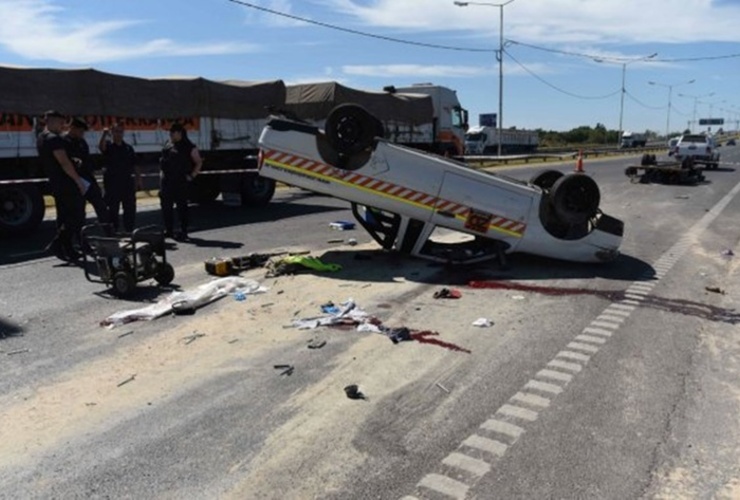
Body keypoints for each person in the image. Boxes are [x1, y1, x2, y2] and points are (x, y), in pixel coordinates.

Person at [37, 110, 87, 261]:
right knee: (76, 216)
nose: (62, 126)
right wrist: (78, 181)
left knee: (65, 217)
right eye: (60, 122)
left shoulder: (41, 137)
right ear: (51, 121)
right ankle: (58, 244)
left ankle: (67, 249)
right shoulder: (54, 139)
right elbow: (64, 162)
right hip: (66, 183)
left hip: (56, 183)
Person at [159, 122, 202, 241]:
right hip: (167, 181)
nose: (170, 135)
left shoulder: (189, 146)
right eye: (170, 132)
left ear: (179, 133)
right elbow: (162, 165)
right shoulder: (168, 146)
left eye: (173, 132)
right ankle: (169, 230)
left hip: (181, 181)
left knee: (182, 207)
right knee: (166, 207)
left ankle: (183, 230)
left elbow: (198, 162)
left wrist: (192, 176)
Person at [64, 117, 108, 224]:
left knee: (100, 205)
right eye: (80, 131)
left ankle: (108, 230)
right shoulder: (64, 142)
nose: (82, 134)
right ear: (73, 128)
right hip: (75, 180)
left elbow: (86, 159)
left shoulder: (82, 142)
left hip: (87, 177)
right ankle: (81, 236)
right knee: (79, 210)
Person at [99, 123, 140, 233]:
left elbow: (135, 164)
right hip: (112, 184)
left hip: (127, 183)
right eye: (116, 131)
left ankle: (129, 230)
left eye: (120, 131)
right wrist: (104, 134)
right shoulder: (108, 146)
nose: (118, 134)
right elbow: (101, 147)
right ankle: (114, 230)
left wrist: (138, 180)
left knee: (130, 208)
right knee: (113, 209)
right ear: (112, 133)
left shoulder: (128, 148)